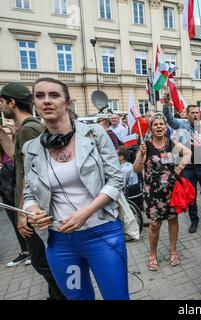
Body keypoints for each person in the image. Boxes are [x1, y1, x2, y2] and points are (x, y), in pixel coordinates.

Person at [22, 77, 129, 300]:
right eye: (40, 96)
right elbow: (29, 193)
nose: (47, 101)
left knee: (116, 297)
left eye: (54, 95)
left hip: (102, 234)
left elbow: (116, 179)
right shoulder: (31, 148)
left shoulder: (94, 133)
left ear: (67, 102)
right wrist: (32, 211)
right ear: (34, 103)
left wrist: (85, 213)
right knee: (78, 298)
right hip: (60, 245)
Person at [0, 82, 65, 300]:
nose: (1, 107)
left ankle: (63, 295)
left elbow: (30, 175)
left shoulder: (29, 129)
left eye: (1, 102)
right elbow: (19, 160)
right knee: (44, 259)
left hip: (34, 209)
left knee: (42, 261)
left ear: (11, 102)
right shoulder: (28, 128)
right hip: (34, 207)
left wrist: (23, 213)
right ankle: (56, 294)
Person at [133, 112, 191, 272]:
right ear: (151, 128)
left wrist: (179, 168)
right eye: (155, 124)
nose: (159, 126)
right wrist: (142, 155)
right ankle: (153, 255)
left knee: (173, 221)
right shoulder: (146, 145)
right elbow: (136, 169)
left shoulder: (171, 144)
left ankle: (173, 251)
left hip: (171, 192)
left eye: (161, 124)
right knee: (154, 225)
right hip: (152, 194)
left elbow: (188, 153)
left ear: (166, 127)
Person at [163, 98, 201, 233]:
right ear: (187, 114)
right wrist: (167, 104)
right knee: (191, 197)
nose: (195, 115)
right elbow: (169, 119)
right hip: (189, 168)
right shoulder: (181, 124)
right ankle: (194, 221)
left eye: (197, 112)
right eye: (192, 113)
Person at [0, 124, 31, 267]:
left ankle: (32, 250)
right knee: (15, 223)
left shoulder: (14, 147)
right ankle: (25, 251)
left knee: (25, 221)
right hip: (6, 191)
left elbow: (19, 167)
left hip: (16, 191)